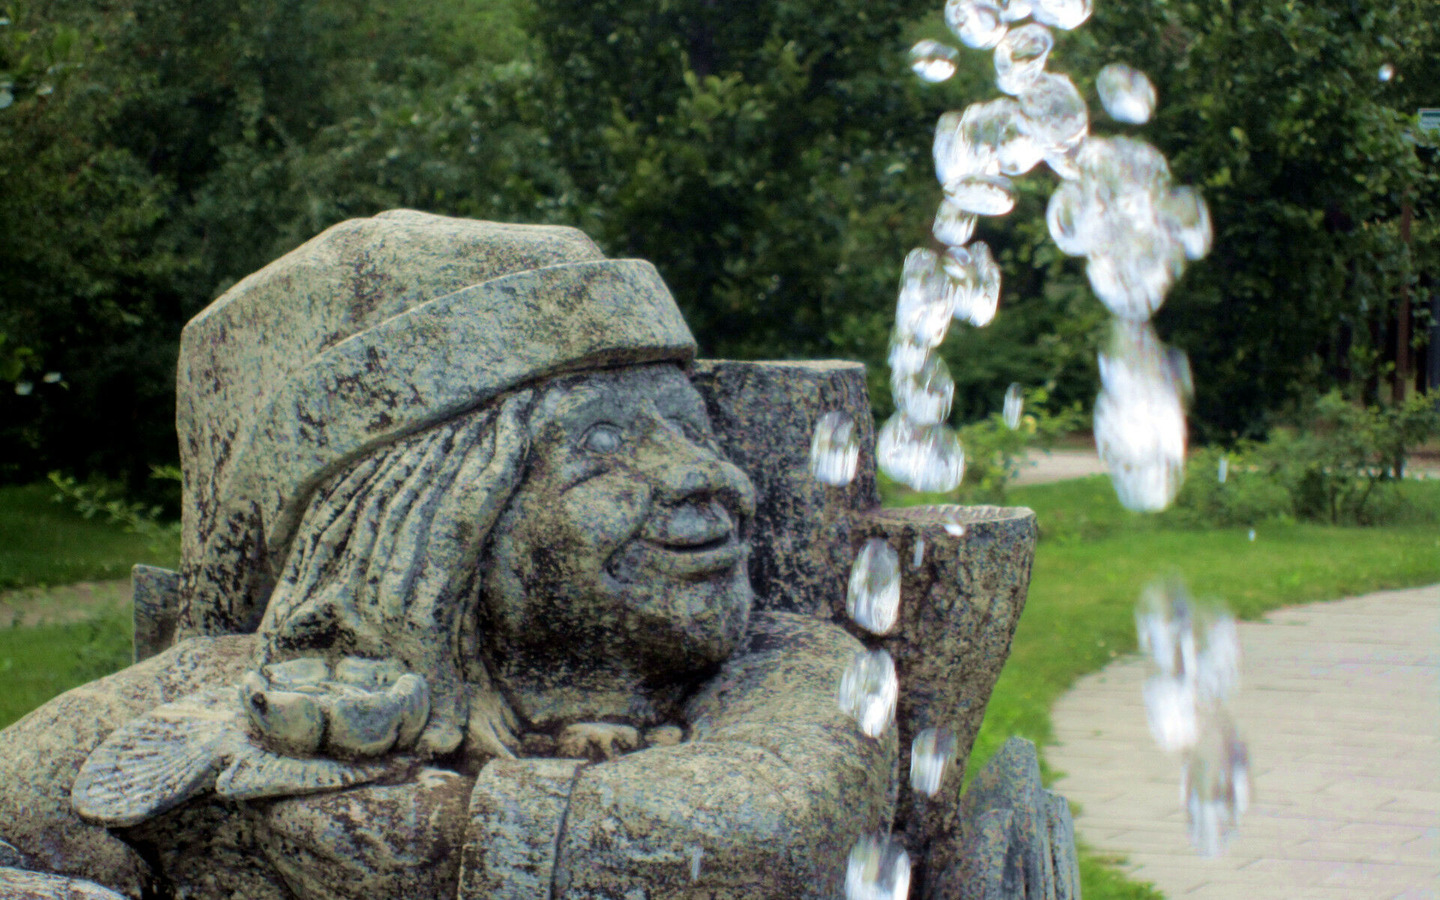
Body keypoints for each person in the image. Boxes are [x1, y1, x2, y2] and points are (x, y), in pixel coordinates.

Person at [0, 212, 895, 900]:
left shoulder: (794, 667)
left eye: (690, 428)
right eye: (603, 444)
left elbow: (759, 838)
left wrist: (402, 828)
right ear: (434, 527)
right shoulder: (237, 690)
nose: (708, 476)